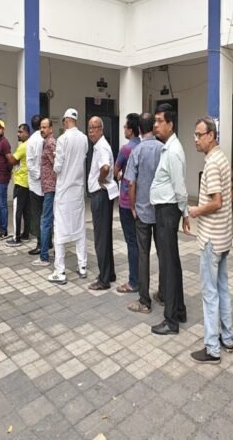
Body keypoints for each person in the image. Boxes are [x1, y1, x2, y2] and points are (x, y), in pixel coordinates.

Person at [186, 117, 233, 364]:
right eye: (195, 134)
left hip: (211, 238)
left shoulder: (213, 163)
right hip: (223, 237)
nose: (195, 139)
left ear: (211, 135)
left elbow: (216, 202)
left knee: (209, 293)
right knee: (222, 287)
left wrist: (195, 211)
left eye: (199, 134)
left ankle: (212, 348)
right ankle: (228, 337)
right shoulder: (221, 157)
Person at [148, 103, 188, 335]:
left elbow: (179, 187)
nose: (156, 125)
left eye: (160, 121)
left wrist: (184, 212)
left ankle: (171, 320)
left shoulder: (173, 151)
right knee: (172, 262)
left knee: (169, 265)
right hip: (166, 210)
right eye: (155, 121)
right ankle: (179, 310)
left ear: (170, 124)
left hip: (167, 211)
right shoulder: (169, 147)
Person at [125, 112, 165, 314]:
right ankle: (163, 294)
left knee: (143, 255)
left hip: (142, 211)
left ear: (139, 129)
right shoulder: (163, 149)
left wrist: (133, 206)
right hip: (161, 210)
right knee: (162, 253)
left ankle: (144, 301)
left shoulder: (137, 151)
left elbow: (131, 183)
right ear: (153, 127)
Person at [47, 109, 88, 284]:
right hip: (77, 190)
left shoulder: (62, 139)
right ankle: (82, 266)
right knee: (79, 228)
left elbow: (58, 168)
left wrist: (56, 156)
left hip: (64, 190)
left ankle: (60, 270)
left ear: (65, 121)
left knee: (60, 229)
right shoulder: (84, 138)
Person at [87, 116, 119, 290]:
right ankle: (110, 273)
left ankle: (103, 279)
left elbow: (105, 167)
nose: (91, 131)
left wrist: (100, 180)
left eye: (94, 128)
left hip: (100, 195)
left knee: (101, 238)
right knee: (105, 236)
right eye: (89, 128)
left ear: (101, 129)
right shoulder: (99, 145)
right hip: (102, 195)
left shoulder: (102, 147)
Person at [114, 113, 141, 294]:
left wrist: (120, 175)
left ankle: (134, 281)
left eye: (125, 127)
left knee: (131, 242)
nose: (124, 129)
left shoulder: (126, 149)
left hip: (126, 201)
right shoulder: (143, 147)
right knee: (140, 243)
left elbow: (115, 170)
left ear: (130, 130)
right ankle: (141, 277)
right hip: (142, 202)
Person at [34, 118, 56, 266]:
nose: (42, 130)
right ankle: (50, 249)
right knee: (49, 219)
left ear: (51, 129)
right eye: (41, 127)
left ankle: (44, 256)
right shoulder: (46, 142)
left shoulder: (50, 143)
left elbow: (57, 164)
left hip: (50, 187)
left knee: (45, 220)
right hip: (48, 186)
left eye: (45, 127)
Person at [6, 123, 31, 247]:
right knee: (26, 210)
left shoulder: (22, 146)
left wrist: (7, 153)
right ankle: (25, 234)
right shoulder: (30, 144)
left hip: (20, 182)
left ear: (27, 133)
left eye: (20, 132)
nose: (18, 134)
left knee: (17, 210)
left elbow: (12, 161)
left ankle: (16, 238)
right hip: (28, 182)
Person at [26, 114, 44, 256]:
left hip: (36, 184)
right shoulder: (46, 138)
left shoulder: (31, 141)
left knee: (37, 215)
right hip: (47, 184)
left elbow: (30, 164)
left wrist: (38, 176)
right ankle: (47, 241)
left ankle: (40, 243)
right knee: (47, 215)